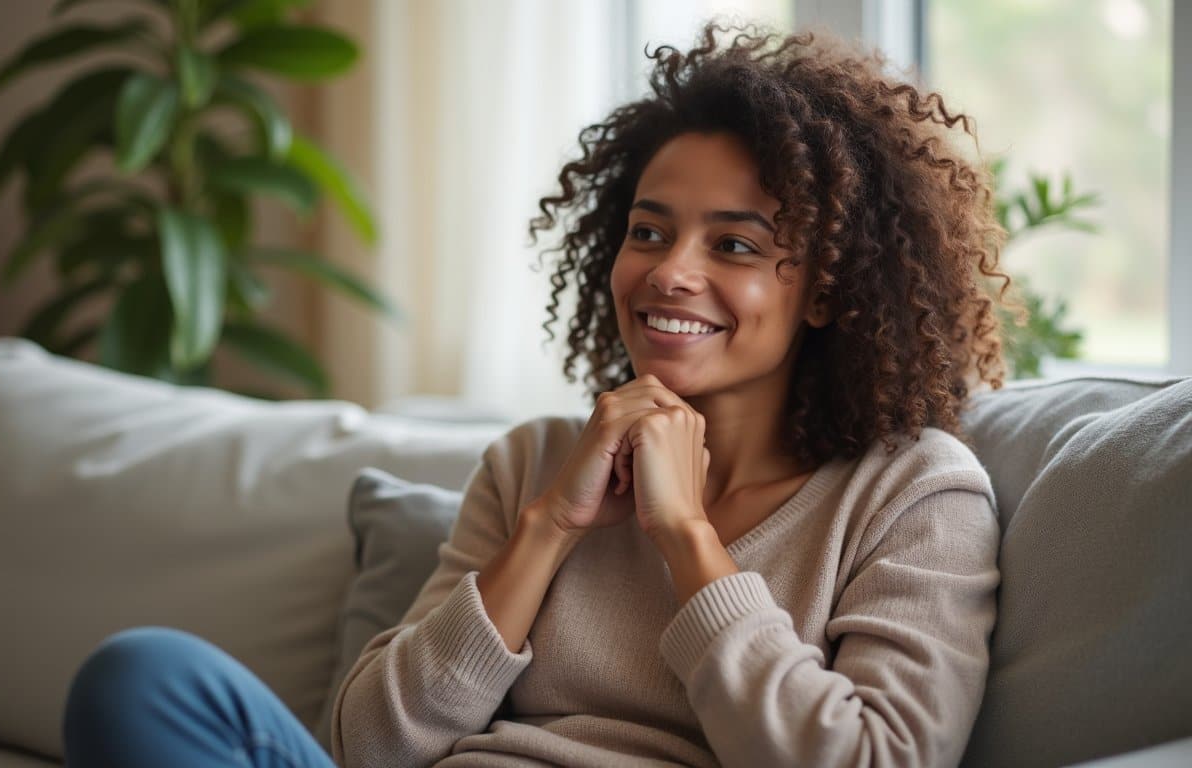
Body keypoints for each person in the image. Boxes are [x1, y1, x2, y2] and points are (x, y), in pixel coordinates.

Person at [63, 21, 1008, 768]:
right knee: (141, 678)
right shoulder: (534, 463)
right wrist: (552, 525)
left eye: (734, 245)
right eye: (648, 231)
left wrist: (688, 541)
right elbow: (366, 750)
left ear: (831, 288)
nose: (669, 273)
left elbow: (872, 758)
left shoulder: (915, 493)